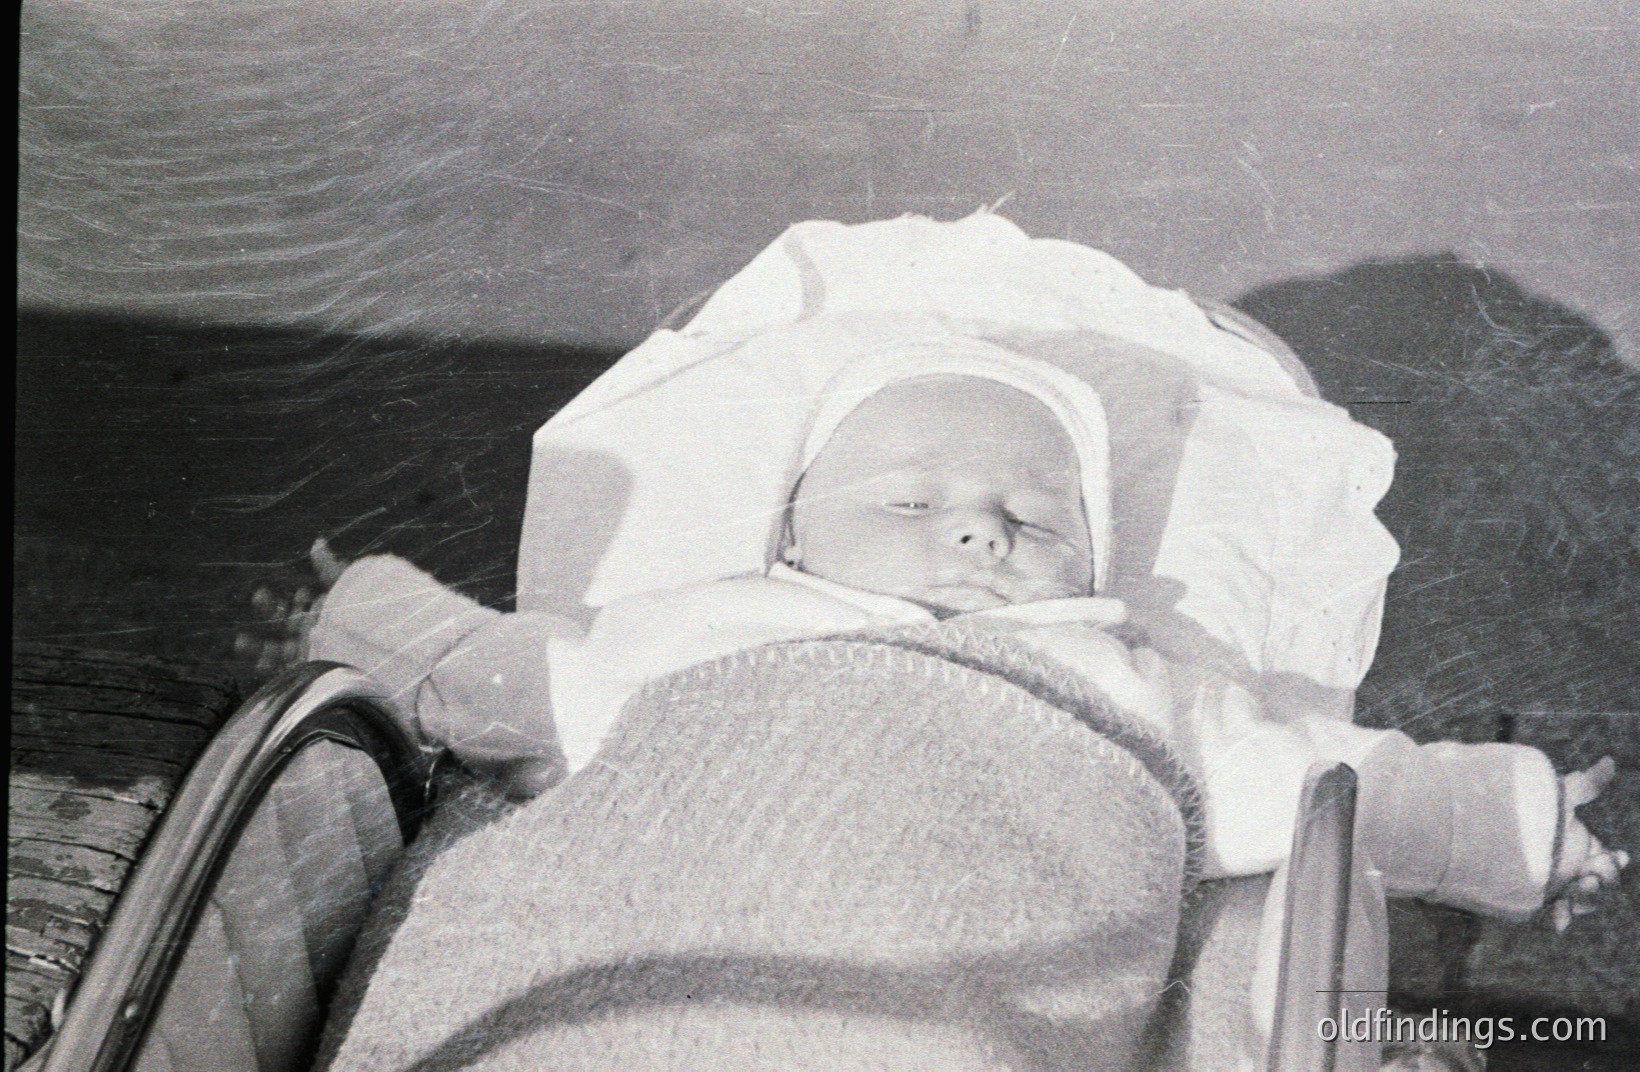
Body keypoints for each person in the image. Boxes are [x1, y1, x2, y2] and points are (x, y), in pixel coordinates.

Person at [268, 345, 1626, 927]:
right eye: (909, 501)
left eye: (1038, 512)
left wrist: (1510, 824)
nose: (979, 531)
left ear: (1098, 564)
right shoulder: (722, 626)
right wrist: (363, 615)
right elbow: (511, 683)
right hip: (679, 894)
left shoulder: (1129, 680)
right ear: (792, 537)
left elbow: (1332, 783)